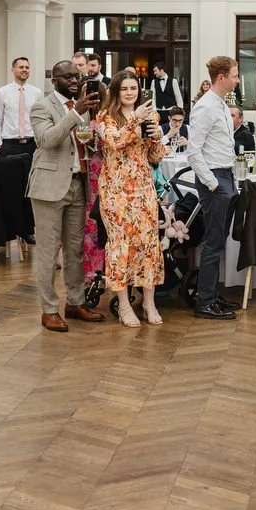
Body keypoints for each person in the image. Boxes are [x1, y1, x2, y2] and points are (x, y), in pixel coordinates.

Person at [28, 60, 105, 331]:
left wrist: (93, 138)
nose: (75, 80)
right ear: (55, 81)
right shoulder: (42, 106)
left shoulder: (81, 106)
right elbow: (47, 140)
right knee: (49, 253)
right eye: (68, 76)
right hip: (49, 187)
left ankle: (75, 302)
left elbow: (83, 141)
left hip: (77, 185)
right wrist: (76, 113)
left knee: (75, 251)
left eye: (77, 75)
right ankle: (49, 310)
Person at [96, 69, 168, 327]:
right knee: (120, 245)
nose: (129, 93)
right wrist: (134, 120)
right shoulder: (106, 116)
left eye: (133, 89)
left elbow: (155, 157)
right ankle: (124, 305)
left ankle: (149, 303)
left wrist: (157, 138)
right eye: (124, 89)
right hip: (116, 190)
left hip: (143, 188)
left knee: (148, 243)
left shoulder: (150, 116)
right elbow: (114, 143)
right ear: (116, 91)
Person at [185, 56, 241, 320]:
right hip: (215, 180)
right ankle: (204, 302)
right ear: (221, 78)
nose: (237, 80)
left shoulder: (220, 104)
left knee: (218, 241)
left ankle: (210, 294)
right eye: (235, 75)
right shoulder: (205, 107)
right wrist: (213, 183)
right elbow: (193, 152)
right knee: (212, 242)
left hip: (225, 176)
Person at [0, 57, 36, 159]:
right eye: (21, 67)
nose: (24, 69)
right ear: (13, 69)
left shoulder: (36, 93)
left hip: (32, 144)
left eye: (27, 67)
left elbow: (39, 119)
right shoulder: (2, 92)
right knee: (9, 175)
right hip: (9, 145)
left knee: (31, 175)